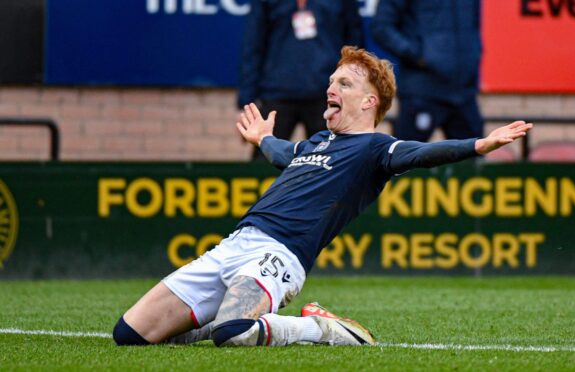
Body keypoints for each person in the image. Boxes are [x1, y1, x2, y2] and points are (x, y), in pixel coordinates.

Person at [113, 46, 532, 347]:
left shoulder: (375, 149)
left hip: (279, 255)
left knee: (235, 335)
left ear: (370, 102)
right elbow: (283, 154)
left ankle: (323, 328)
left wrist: (479, 144)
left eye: (345, 83)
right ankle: (212, 319)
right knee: (129, 334)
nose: (332, 87)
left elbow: (423, 153)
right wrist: (263, 139)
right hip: (234, 246)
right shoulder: (315, 142)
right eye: (332, 80)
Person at [238, 0, 364, 160]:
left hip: (326, 94)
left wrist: (353, 93)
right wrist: (246, 103)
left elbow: (355, 45)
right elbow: (252, 46)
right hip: (277, 93)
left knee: (329, 164)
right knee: (264, 161)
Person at [370, 0, 483, 142]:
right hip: (422, 89)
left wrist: (474, 56)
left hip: (464, 92)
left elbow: (474, 26)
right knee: (406, 160)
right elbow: (381, 27)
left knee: (473, 160)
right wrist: (417, 55)